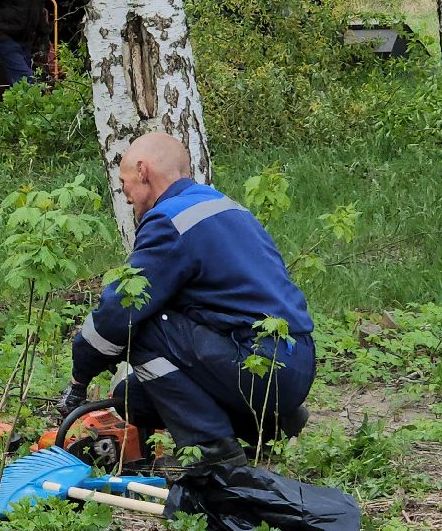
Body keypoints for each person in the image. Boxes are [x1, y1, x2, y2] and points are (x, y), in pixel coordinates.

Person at [51, 132, 315, 472]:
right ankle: (266, 424)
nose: (125, 195)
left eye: (124, 182)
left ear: (143, 171)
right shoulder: (225, 207)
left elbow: (120, 311)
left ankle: (212, 451)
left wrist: (79, 378)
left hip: (258, 366)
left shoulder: (170, 220)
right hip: (294, 363)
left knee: (139, 326)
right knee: (134, 396)